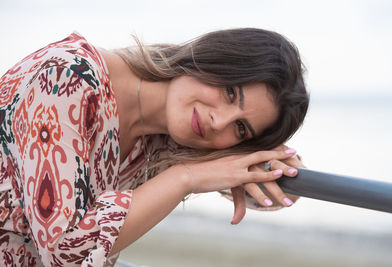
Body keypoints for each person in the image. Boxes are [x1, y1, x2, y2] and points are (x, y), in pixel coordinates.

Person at [0, 28, 308, 266]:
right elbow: (64, 253)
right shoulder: (67, 78)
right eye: (230, 93)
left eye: (240, 128)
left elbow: (240, 186)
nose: (219, 121)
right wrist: (184, 178)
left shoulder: (163, 140)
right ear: (212, 58)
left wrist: (289, 175)